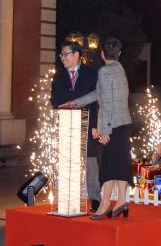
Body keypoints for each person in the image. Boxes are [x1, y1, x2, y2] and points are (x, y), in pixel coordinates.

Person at [61, 37, 132, 220]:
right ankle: (123, 202)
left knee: (108, 167)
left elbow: (106, 103)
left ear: (102, 54)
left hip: (113, 126)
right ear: (119, 54)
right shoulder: (120, 69)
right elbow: (98, 94)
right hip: (124, 123)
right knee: (121, 164)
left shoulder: (104, 72)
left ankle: (105, 205)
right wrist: (75, 103)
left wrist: (105, 130)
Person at [50, 41, 102, 211]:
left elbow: (96, 101)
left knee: (90, 160)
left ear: (76, 55)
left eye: (66, 54)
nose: (62, 58)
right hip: (67, 123)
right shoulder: (59, 76)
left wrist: (95, 124)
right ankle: (68, 198)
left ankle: (95, 198)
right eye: (61, 55)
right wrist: (67, 104)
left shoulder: (91, 74)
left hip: (87, 122)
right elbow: (54, 100)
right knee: (68, 161)